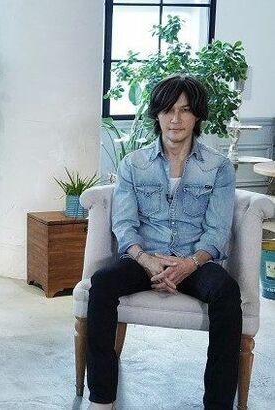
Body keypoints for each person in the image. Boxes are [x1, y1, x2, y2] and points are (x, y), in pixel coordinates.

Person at [86, 75, 239, 409]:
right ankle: (101, 399)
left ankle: (218, 404)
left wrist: (189, 264)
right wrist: (146, 260)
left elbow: (217, 232)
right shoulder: (133, 164)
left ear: (197, 115)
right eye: (168, 110)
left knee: (226, 291)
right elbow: (124, 224)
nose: (176, 119)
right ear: (157, 114)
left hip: (195, 261)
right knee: (102, 283)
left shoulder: (218, 168)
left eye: (185, 110)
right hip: (145, 259)